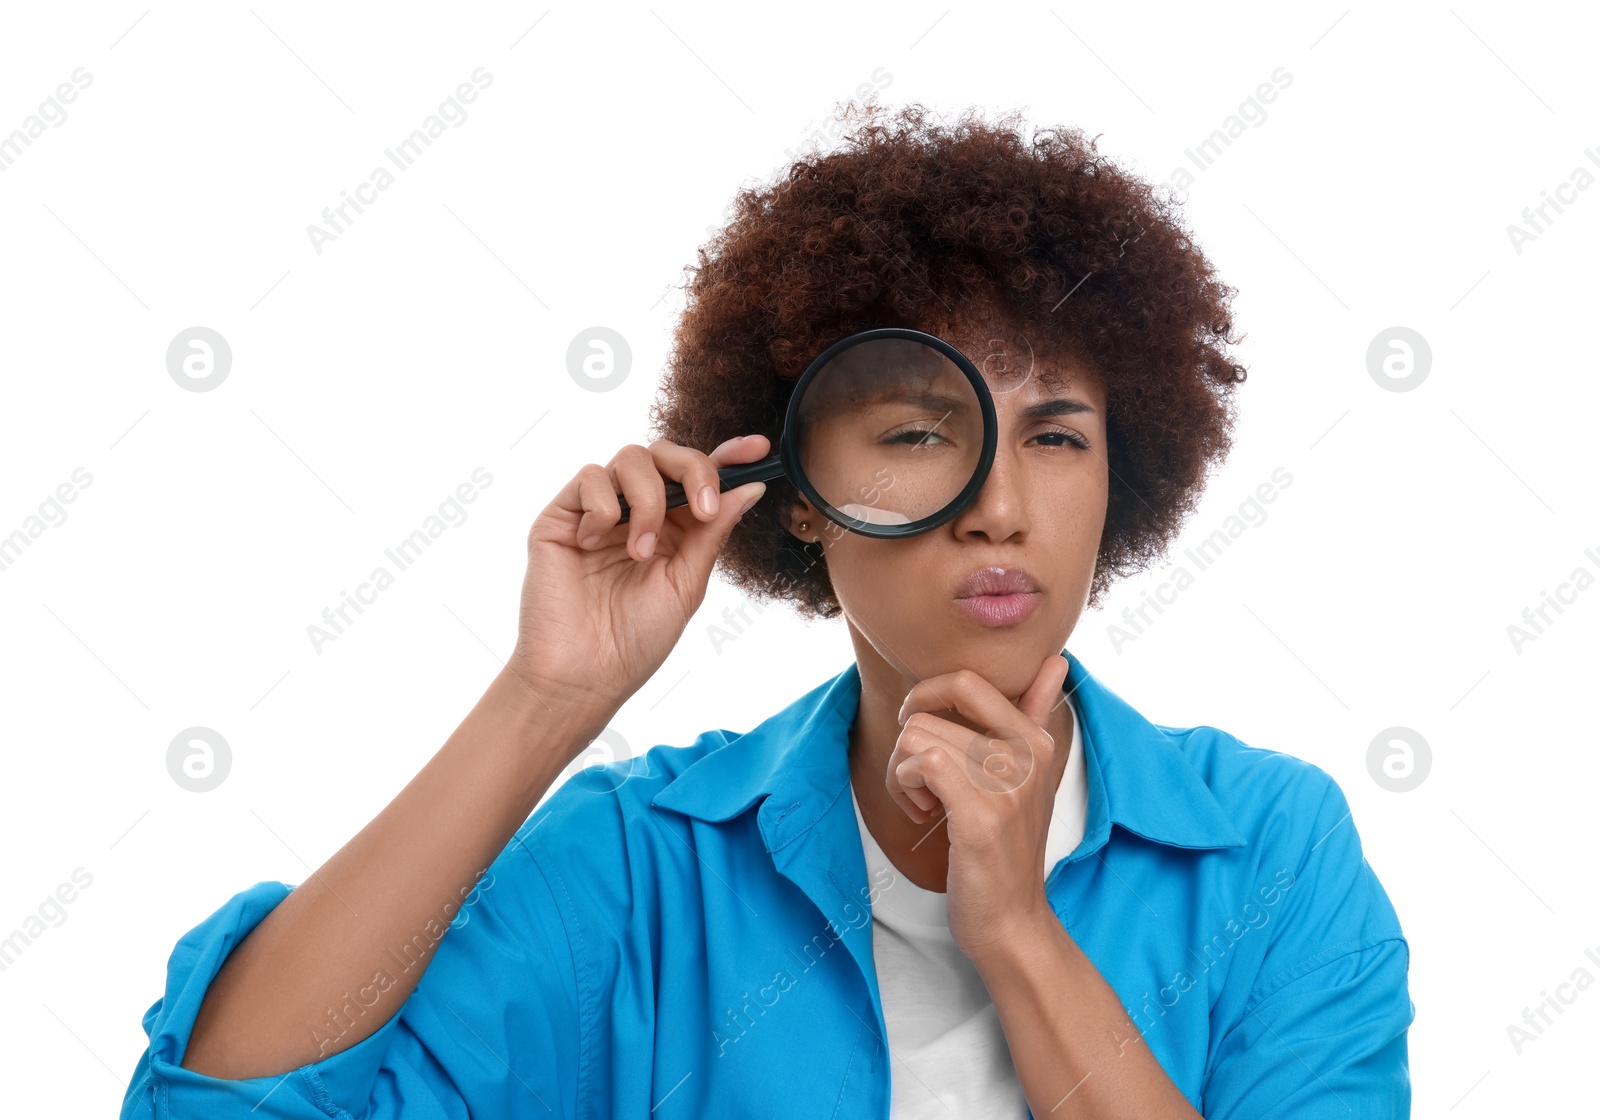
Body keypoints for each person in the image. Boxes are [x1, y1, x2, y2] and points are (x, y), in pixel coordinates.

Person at [119, 102, 1413, 1119]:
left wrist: (1015, 932)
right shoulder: (639, 866)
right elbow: (230, 1110)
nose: (1001, 506)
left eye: (1059, 437)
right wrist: (547, 698)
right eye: (920, 432)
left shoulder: (1270, 853)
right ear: (798, 493)